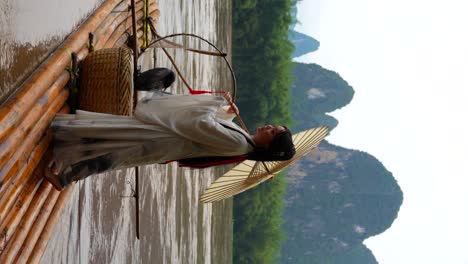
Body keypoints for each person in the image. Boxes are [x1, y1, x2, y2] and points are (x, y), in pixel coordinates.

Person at [45, 92, 295, 191]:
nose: (269, 127)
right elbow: (213, 128)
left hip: (163, 142)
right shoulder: (242, 141)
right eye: (274, 127)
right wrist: (227, 113)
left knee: (112, 155)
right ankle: (64, 147)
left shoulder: (239, 145)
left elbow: (200, 126)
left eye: (273, 133)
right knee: (113, 137)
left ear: (269, 146)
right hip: (164, 139)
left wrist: (216, 101)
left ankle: (64, 177)